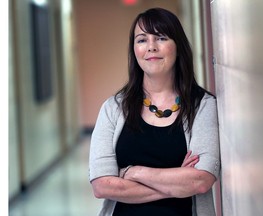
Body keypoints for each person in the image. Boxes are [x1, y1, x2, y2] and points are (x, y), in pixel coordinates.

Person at [89, 7, 220, 216]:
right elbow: (103, 186)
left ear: (178, 46)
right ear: (134, 50)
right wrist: (177, 181)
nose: (151, 47)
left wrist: (134, 172)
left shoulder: (203, 106)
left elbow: (200, 181)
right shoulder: (113, 108)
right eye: (141, 40)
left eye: (160, 38)